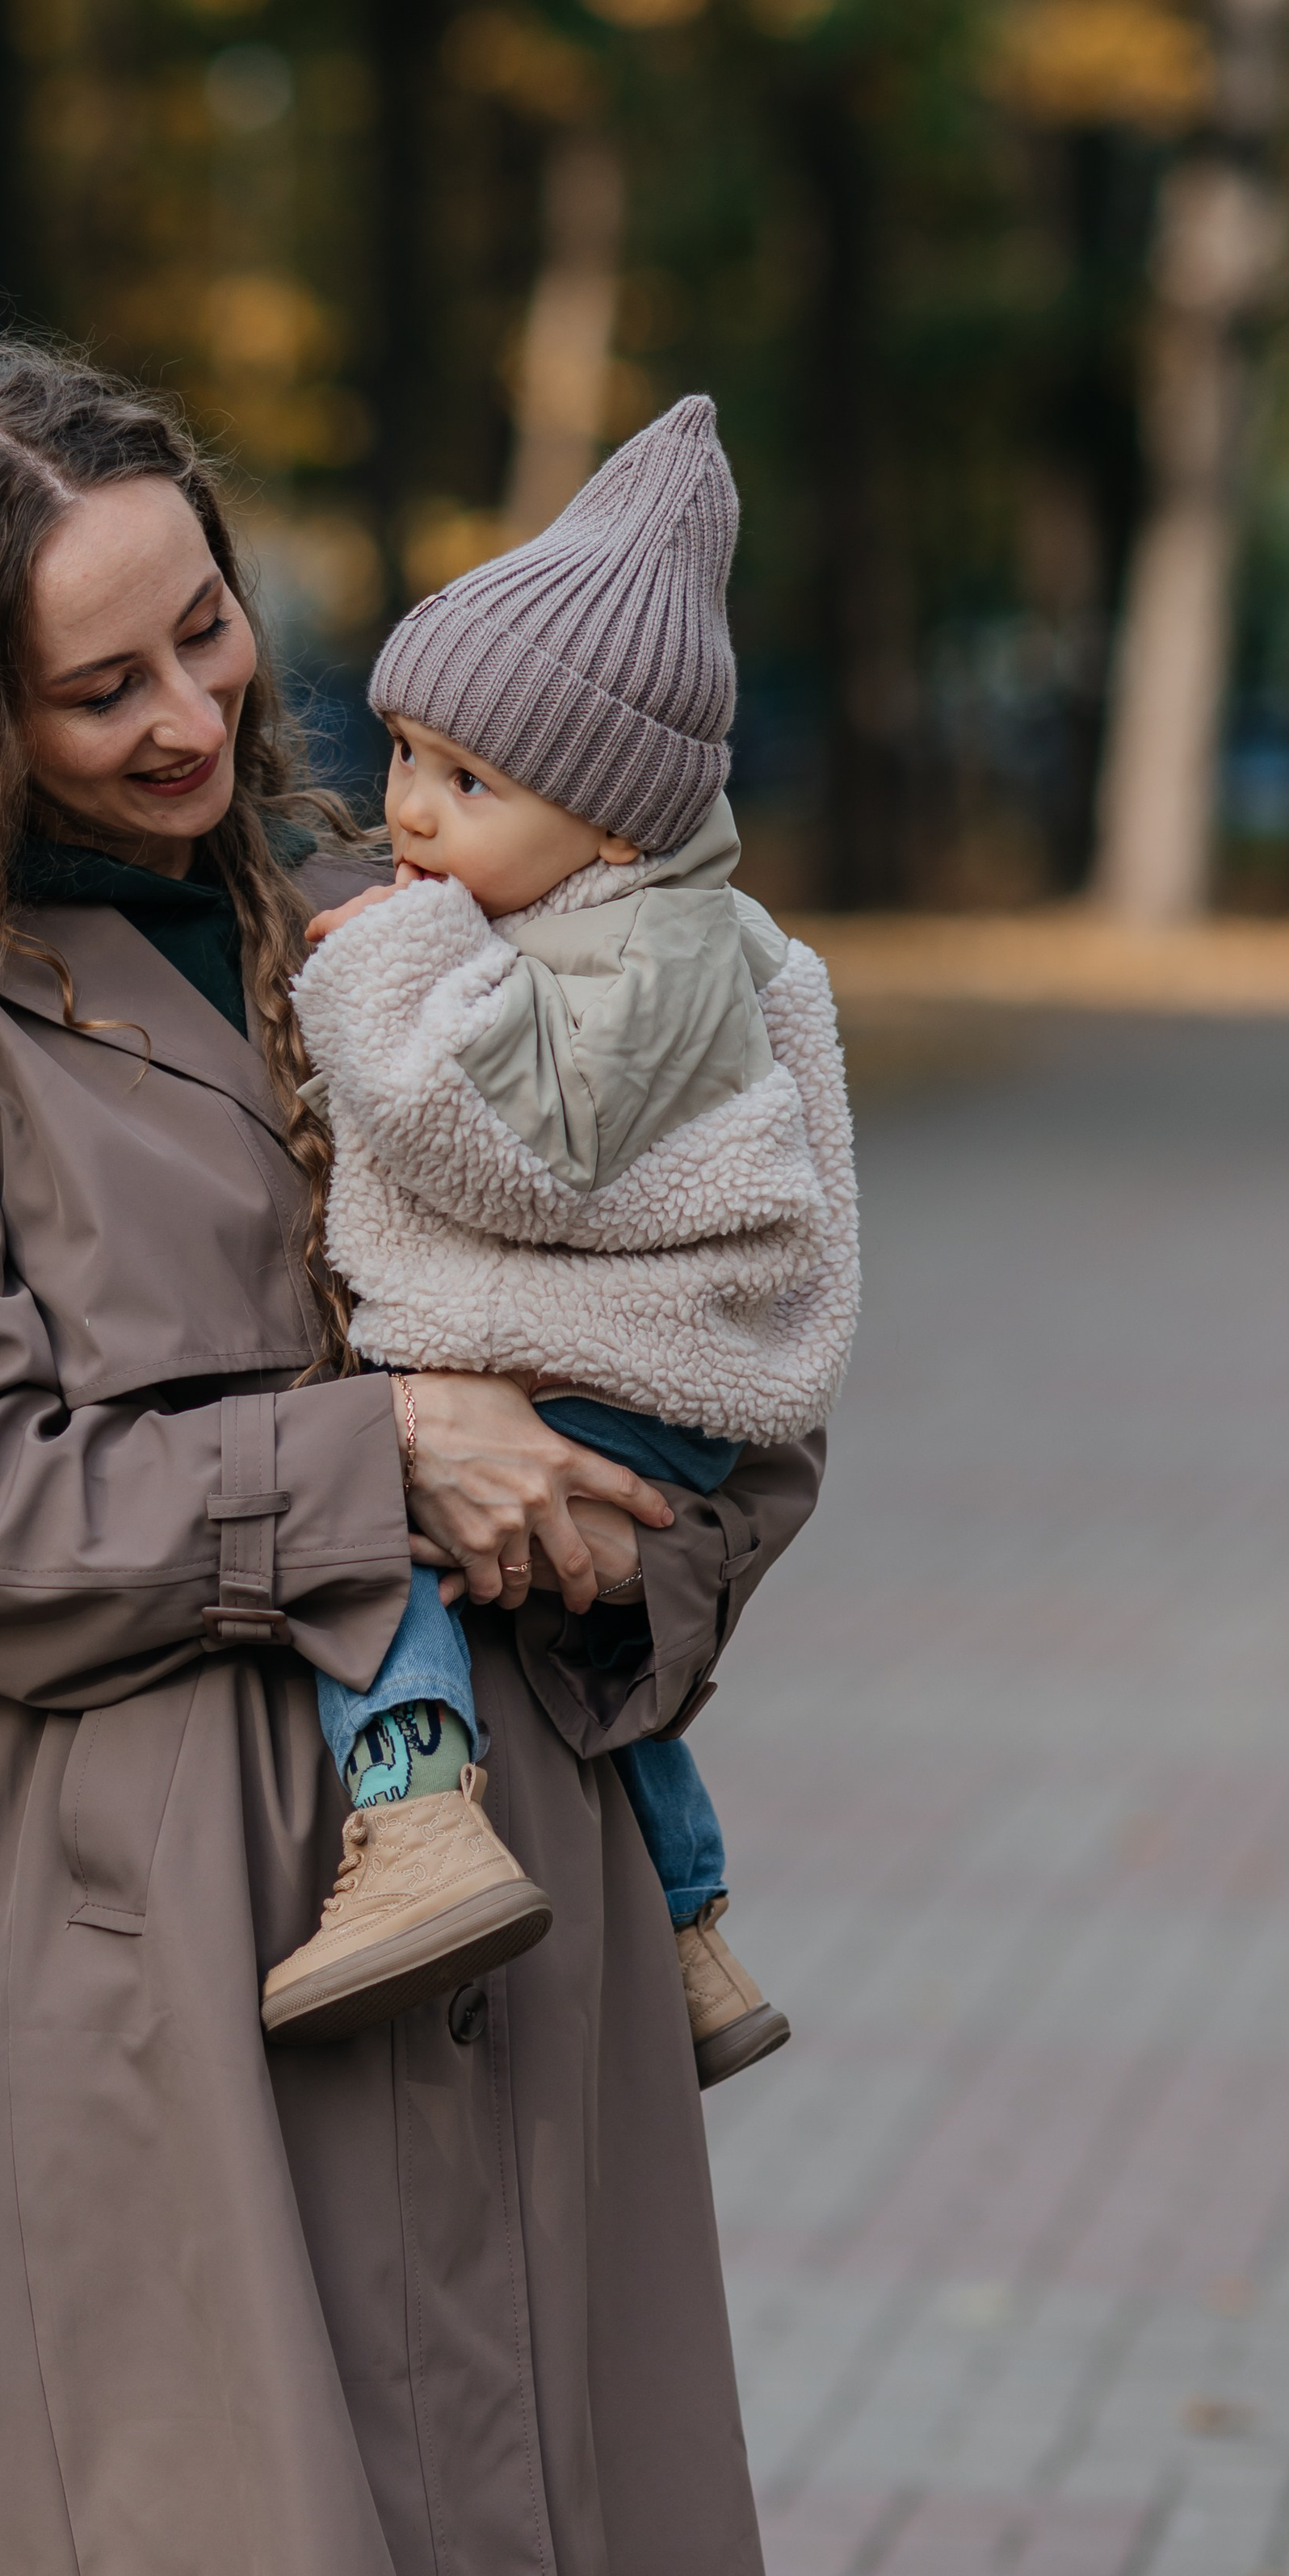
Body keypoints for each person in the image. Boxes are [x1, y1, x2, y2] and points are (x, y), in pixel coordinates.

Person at [0, 338, 824, 2576]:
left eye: (208, 630)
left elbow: (723, 1328)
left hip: (530, 1870)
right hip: (177, 1932)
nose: (194, 718)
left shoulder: (400, 924)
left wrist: (644, 1546)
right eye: (101, 687)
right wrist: (377, 1457)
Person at [259, 401, 858, 2090]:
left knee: (363, 1522)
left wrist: (377, 972)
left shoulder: (649, 961)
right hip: (644, 1380)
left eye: (467, 783)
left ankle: (412, 1820)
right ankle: (687, 1929)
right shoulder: (615, 920)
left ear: (610, 826)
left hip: (625, 1377)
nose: (412, 815)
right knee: (551, 1647)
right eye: (400, 758)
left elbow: (511, 1150)